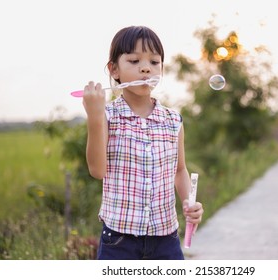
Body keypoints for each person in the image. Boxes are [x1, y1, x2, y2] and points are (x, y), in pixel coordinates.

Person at [82, 26, 204, 260]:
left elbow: (179, 170)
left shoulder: (172, 120)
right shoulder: (108, 117)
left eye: (154, 62)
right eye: (135, 60)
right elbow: (97, 171)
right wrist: (95, 117)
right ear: (114, 69)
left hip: (166, 238)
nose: (146, 68)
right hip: (119, 241)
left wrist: (190, 203)